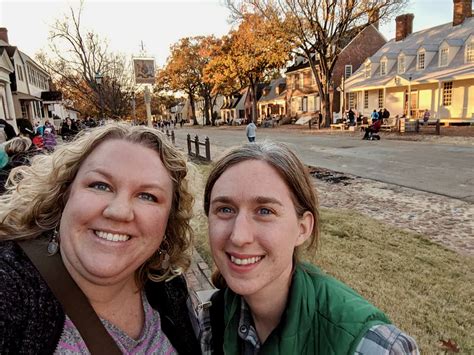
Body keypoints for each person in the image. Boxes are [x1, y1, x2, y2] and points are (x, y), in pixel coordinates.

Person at [201, 142, 418, 354]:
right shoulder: (214, 318)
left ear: (303, 228)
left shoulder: (373, 345)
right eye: (225, 209)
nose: (239, 236)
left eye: (265, 211)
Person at [0, 124, 200, 354]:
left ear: (168, 222)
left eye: (147, 196)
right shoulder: (11, 288)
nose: (119, 211)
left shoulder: (166, 285)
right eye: (100, 185)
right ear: (64, 195)